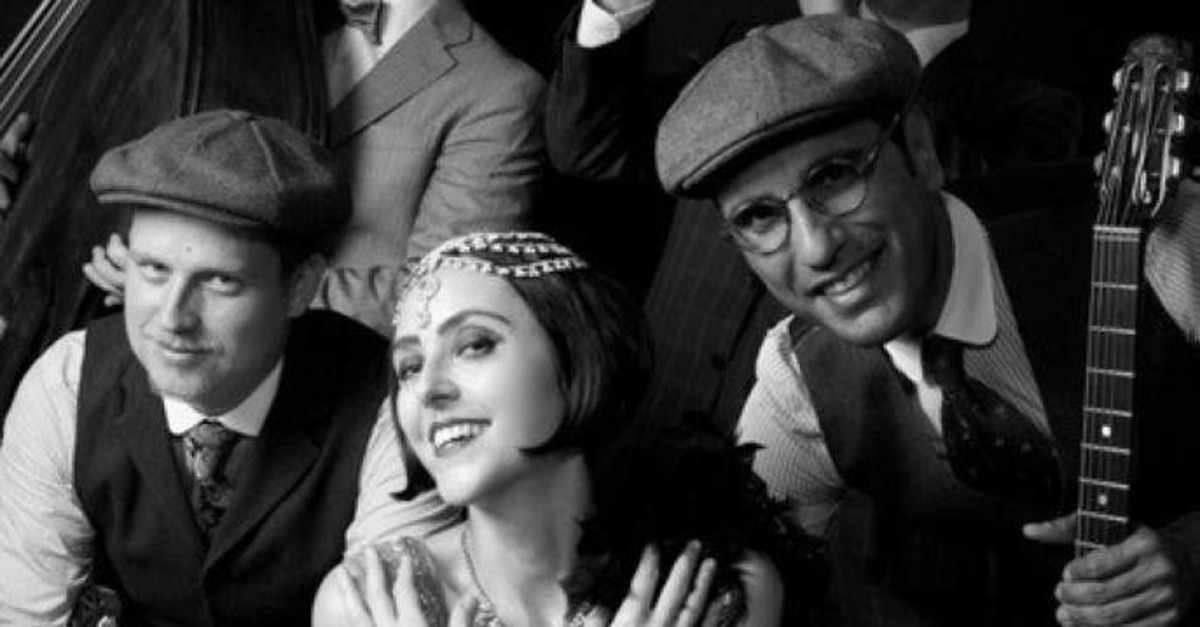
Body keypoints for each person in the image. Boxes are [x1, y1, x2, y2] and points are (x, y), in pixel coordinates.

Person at [654, 14, 1200, 626]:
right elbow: (736, 571)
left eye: (834, 176)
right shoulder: (802, 379)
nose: (815, 248)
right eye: (758, 217)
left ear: (919, 151)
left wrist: (1192, 553)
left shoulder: (1158, 239)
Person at [0, 110, 453, 626]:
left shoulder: (394, 402)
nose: (172, 319)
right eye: (153, 270)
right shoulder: (66, 383)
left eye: (220, 282)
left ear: (301, 287)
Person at [311, 231, 818, 626]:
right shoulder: (363, 604)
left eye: (474, 344)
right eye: (408, 367)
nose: (427, 389)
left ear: (577, 356)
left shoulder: (713, 590)